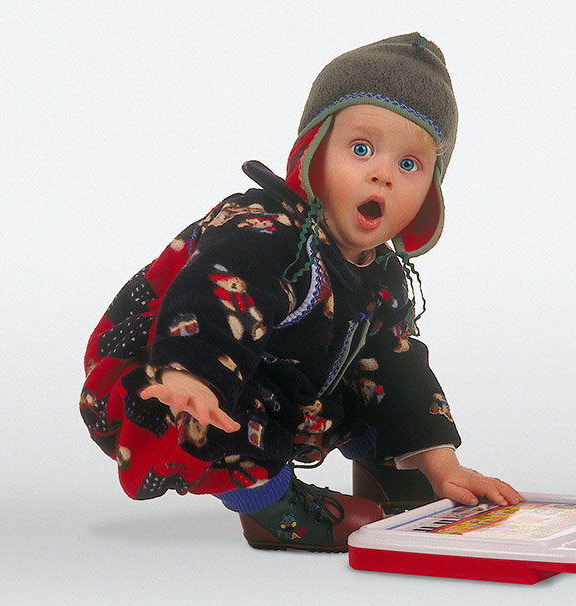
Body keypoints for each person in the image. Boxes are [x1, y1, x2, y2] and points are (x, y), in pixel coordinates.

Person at [80, 33, 521, 552]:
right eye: (361, 149)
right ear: (313, 153)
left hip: (285, 381)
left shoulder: (379, 273)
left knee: (377, 367)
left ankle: (397, 469)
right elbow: (210, 298)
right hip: (168, 375)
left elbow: (398, 365)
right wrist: (189, 374)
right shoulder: (263, 231)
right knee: (221, 403)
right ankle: (269, 504)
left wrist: (441, 462)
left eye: (409, 165)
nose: (382, 174)